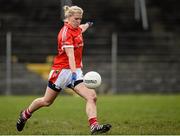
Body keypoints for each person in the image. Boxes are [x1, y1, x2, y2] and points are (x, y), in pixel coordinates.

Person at [16, 5, 111, 135]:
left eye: (80, 19)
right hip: (61, 72)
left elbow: (82, 28)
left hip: (75, 71)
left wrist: (88, 24)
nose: (78, 21)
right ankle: (25, 114)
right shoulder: (65, 34)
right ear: (69, 18)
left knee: (92, 96)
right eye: (76, 19)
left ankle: (94, 125)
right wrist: (73, 75)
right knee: (46, 101)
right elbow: (70, 56)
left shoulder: (77, 28)